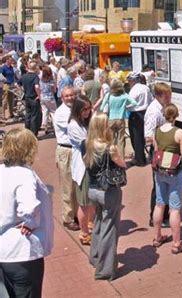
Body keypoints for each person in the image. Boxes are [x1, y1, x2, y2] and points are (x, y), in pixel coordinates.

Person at [0, 128, 54, 298]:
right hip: (21, 253)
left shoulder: (2, 170)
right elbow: (29, 206)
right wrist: (31, 223)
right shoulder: (23, 174)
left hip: (4, 250)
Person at [84, 113, 127, 281]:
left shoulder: (87, 144)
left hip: (93, 190)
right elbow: (122, 164)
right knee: (110, 228)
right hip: (108, 191)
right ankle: (105, 269)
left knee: (98, 223)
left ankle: (94, 256)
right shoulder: (110, 147)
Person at [152, 104, 182, 253]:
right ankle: (177, 243)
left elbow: (157, 151)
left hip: (160, 172)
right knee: (174, 209)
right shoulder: (179, 133)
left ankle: (157, 237)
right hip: (175, 173)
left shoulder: (157, 131)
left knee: (159, 204)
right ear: (176, 116)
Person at [144, 82, 172, 227]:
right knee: (159, 185)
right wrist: (158, 151)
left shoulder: (162, 108)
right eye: (167, 96)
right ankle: (155, 217)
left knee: (165, 183)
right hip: (158, 151)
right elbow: (148, 135)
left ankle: (163, 214)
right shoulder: (154, 111)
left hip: (164, 150)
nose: (170, 98)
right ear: (159, 96)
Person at [53, 86, 80, 231]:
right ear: (62, 98)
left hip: (76, 150)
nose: (70, 98)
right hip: (66, 150)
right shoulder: (61, 112)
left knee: (77, 184)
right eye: (67, 96)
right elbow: (74, 128)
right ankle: (68, 217)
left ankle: (77, 213)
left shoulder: (75, 108)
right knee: (67, 186)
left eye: (72, 95)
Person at [68, 95, 94, 245]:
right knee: (84, 203)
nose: (87, 112)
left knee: (91, 201)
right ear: (77, 110)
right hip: (82, 168)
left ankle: (90, 225)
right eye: (84, 109)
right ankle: (83, 233)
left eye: (89, 109)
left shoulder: (86, 122)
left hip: (90, 166)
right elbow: (86, 143)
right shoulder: (73, 125)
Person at [100, 79, 137, 158]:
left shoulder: (109, 95)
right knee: (120, 140)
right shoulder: (124, 95)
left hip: (111, 119)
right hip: (120, 119)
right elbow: (134, 103)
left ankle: (112, 159)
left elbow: (102, 107)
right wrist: (125, 107)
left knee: (112, 140)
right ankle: (121, 159)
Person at [127, 72, 153, 166]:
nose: (128, 83)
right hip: (145, 113)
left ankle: (139, 160)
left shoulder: (134, 89)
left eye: (129, 81)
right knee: (143, 136)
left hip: (136, 114)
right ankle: (144, 156)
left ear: (132, 80)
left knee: (136, 137)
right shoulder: (145, 88)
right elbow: (151, 99)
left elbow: (129, 102)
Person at [18, 62, 42, 136]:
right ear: (35, 68)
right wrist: (39, 95)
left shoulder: (24, 76)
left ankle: (27, 131)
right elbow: (37, 86)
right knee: (34, 116)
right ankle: (33, 133)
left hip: (27, 97)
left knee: (28, 115)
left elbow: (17, 84)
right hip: (34, 97)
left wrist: (22, 90)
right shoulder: (35, 76)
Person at [39, 66, 57, 133]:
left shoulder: (40, 79)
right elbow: (54, 90)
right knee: (53, 112)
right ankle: (56, 127)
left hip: (42, 97)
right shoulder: (51, 80)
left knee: (45, 112)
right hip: (50, 97)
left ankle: (45, 125)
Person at [0, 56, 16, 122]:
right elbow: (0, 75)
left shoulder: (11, 67)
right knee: (4, 100)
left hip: (11, 84)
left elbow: (13, 75)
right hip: (6, 85)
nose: (11, 61)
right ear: (7, 60)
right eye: (10, 60)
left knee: (11, 99)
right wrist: (4, 80)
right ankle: (3, 115)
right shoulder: (3, 68)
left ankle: (11, 113)